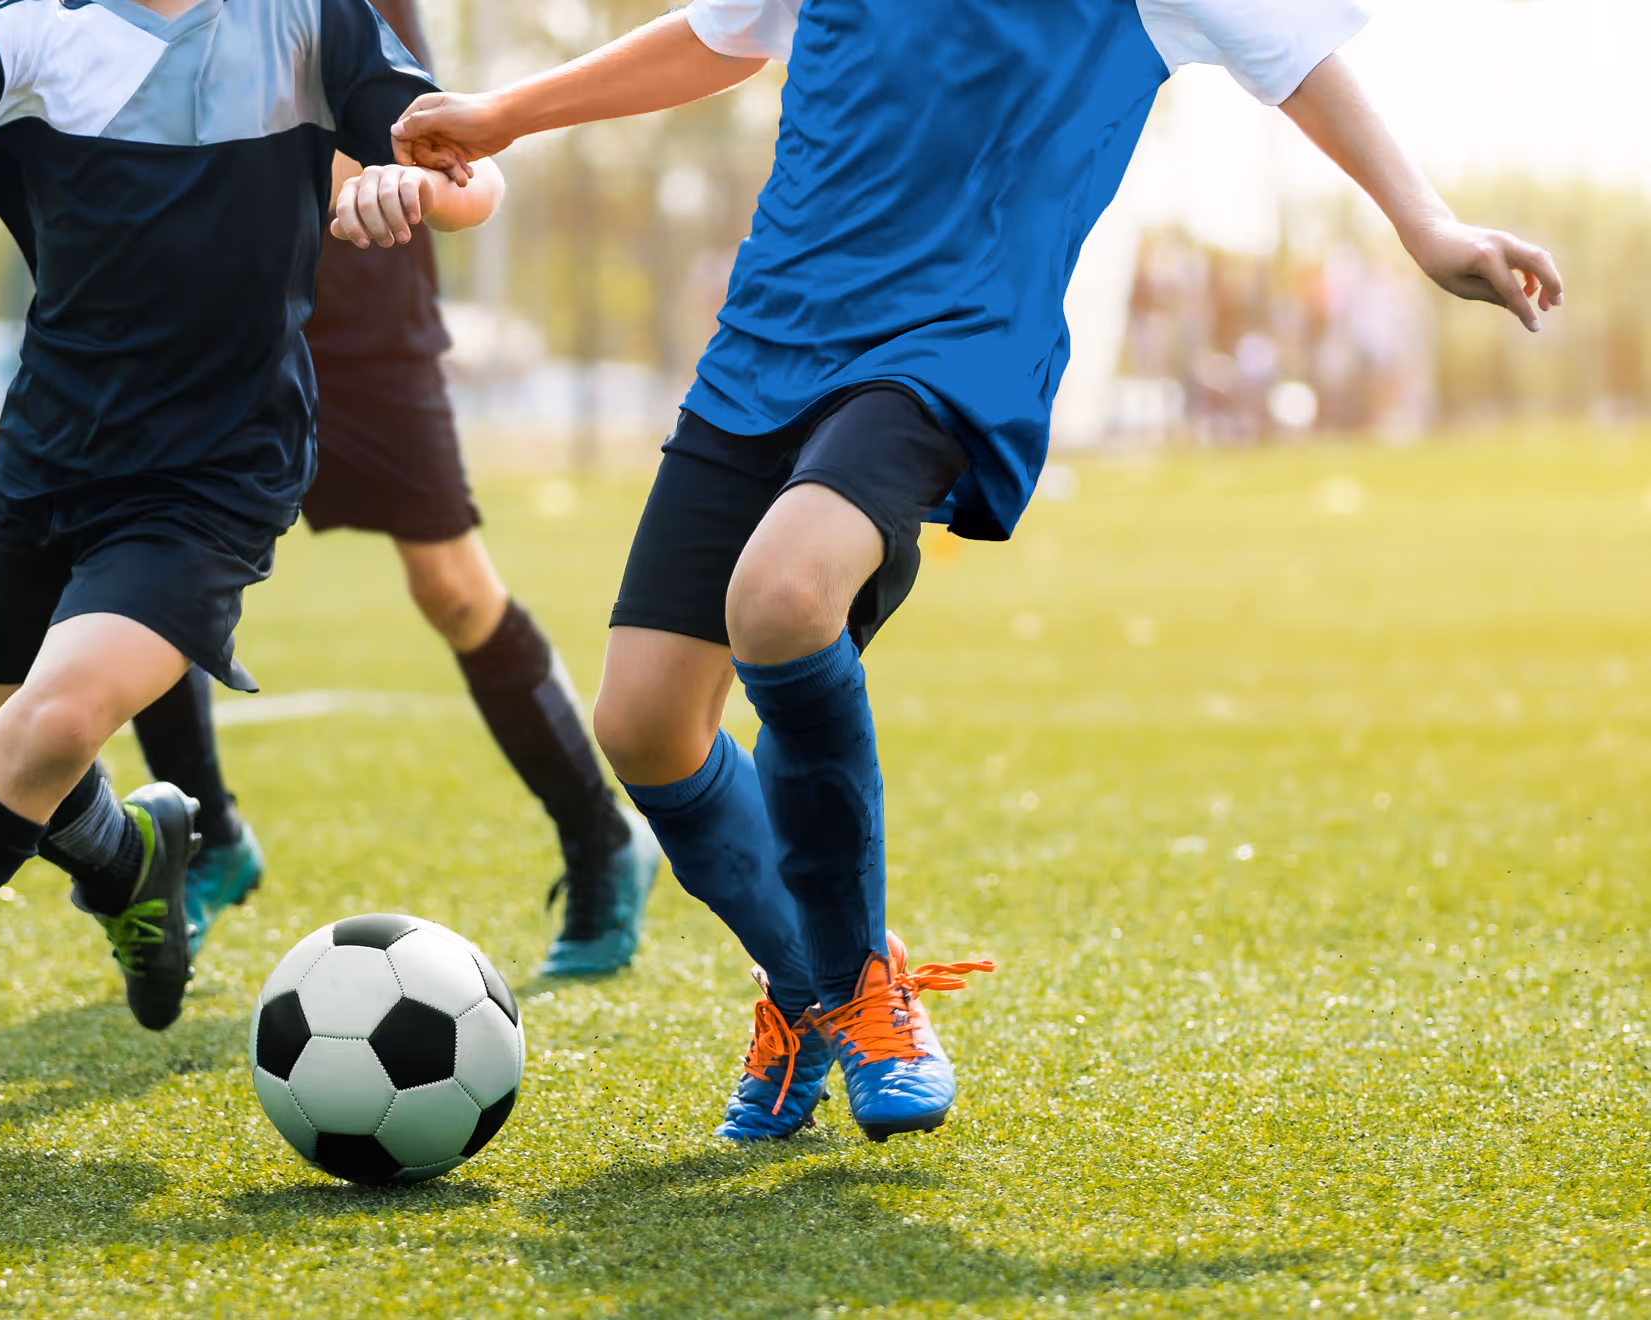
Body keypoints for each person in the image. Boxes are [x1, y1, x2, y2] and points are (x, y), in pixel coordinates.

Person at [390, 0, 1561, 1143]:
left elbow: (1299, 57)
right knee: (644, 725)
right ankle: (815, 984)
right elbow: (719, 34)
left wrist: (1426, 225)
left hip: (948, 345)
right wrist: (506, 114)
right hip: (768, 338)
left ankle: (862, 1000)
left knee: (785, 599)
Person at [0, 0, 503, 1130]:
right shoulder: (16, 25)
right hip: (50, 454)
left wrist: (409, 185)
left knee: (41, 734)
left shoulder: (307, 16)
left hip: (217, 468)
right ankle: (132, 859)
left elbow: (469, 173)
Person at [129, 0, 659, 979]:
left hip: (366, 304)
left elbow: (421, 130)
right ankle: (210, 837)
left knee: (452, 589)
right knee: (151, 569)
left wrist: (383, 173)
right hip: (215, 311)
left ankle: (600, 833)